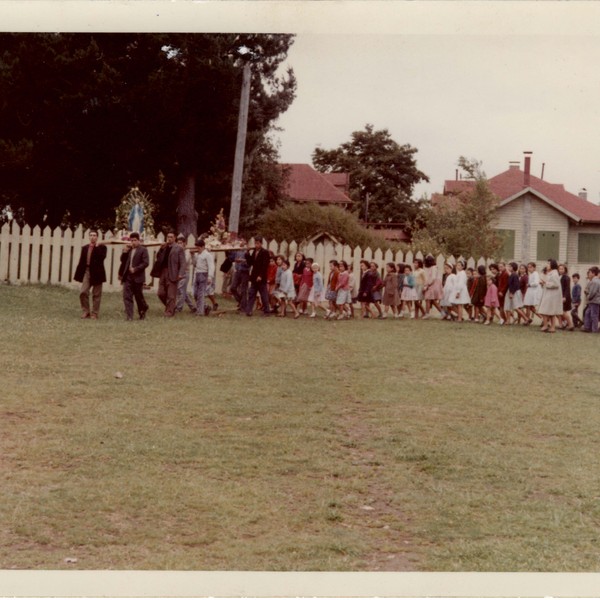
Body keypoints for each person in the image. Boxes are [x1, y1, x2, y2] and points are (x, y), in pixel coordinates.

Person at [150, 230, 186, 317]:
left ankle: (169, 312)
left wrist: (180, 273)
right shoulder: (164, 247)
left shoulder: (179, 248)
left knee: (171, 294)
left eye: (171, 237)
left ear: (175, 238)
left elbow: (183, 262)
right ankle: (171, 307)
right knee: (160, 293)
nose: (169, 239)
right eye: (168, 237)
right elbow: (158, 258)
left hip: (173, 272)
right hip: (163, 272)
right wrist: (161, 249)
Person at [74, 229, 107, 320]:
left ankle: (95, 313)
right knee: (83, 292)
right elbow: (81, 261)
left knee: (96, 294)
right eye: (91, 235)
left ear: (97, 237)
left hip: (97, 273)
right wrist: (78, 274)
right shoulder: (85, 248)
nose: (92, 237)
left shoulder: (102, 247)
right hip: (87, 271)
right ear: (89, 237)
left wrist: (96, 247)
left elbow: (102, 258)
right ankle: (86, 311)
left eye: (94, 235)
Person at [118, 232, 149, 321]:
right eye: (131, 240)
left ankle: (143, 309)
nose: (133, 242)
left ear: (139, 241)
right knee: (127, 296)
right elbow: (122, 261)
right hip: (128, 276)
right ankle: (129, 316)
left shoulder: (143, 250)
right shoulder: (129, 249)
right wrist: (124, 252)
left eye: (135, 240)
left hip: (138, 276)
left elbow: (146, 263)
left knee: (138, 296)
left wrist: (136, 269)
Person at [245, 236, 272, 316]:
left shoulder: (265, 252)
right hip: (254, 276)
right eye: (255, 243)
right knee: (251, 293)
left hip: (261, 277)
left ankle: (267, 311)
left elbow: (265, 265)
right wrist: (247, 253)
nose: (256, 245)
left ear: (261, 243)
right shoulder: (254, 252)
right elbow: (250, 263)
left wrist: (260, 275)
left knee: (263, 295)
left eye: (258, 243)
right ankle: (249, 310)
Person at [538, 259, 562, 333]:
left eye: (548, 264)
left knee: (547, 310)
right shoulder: (550, 273)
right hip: (549, 293)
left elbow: (556, 284)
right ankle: (550, 326)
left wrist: (545, 283)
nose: (547, 265)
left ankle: (548, 326)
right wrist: (544, 284)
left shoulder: (554, 274)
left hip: (552, 295)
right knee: (549, 311)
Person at [193, 238, 215, 317]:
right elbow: (194, 264)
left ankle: (200, 312)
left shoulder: (207, 255)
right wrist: (193, 256)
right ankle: (205, 307)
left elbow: (211, 266)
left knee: (201, 294)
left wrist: (210, 277)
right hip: (197, 273)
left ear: (202, 247)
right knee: (195, 293)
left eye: (198, 247)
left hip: (204, 274)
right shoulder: (197, 254)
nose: (197, 249)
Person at [175, 234, 196, 314]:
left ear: (184, 243)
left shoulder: (187, 252)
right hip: (178, 273)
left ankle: (179, 308)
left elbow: (185, 261)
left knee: (181, 290)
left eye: (181, 243)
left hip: (185, 273)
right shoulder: (177, 251)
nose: (179, 244)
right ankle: (193, 307)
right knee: (183, 291)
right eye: (178, 243)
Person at [229, 241, 250, 312]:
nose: (241, 243)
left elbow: (249, 263)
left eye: (243, 242)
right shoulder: (237, 251)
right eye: (240, 242)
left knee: (243, 290)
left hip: (245, 272)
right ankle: (241, 302)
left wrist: (243, 261)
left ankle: (243, 307)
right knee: (232, 288)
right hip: (237, 271)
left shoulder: (247, 252)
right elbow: (231, 258)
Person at [583, 266, 600, 333]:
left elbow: (592, 292)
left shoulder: (595, 281)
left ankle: (594, 329)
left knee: (594, 315)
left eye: (590, 272)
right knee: (587, 313)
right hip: (593, 301)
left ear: (593, 273)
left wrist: (588, 297)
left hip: (594, 301)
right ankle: (587, 327)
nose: (589, 274)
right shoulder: (595, 281)